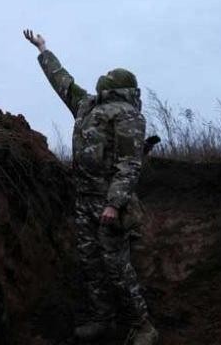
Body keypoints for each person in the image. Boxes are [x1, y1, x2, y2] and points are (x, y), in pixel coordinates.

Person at [23, 29, 159, 344]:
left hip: (109, 204)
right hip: (84, 200)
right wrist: (43, 49)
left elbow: (129, 164)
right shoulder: (87, 106)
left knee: (116, 265)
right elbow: (63, 82)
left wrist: (114, 204)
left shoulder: (128, 116)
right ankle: (102, 318)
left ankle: (143, 326)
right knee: (90, 262)